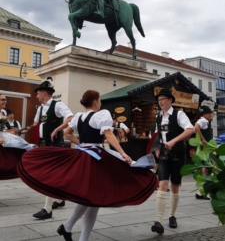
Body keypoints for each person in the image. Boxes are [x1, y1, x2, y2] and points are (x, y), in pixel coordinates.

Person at [17, 90, 158, 241]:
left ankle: (67, 227)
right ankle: (74, 232)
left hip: (83, 155)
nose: (100, 103)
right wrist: (123, 153)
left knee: (90, 198)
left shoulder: (79, 116)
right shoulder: (101, 114)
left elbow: (67, 133)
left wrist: (81, 145)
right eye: (100, 100)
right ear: (96, 101)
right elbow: (109, 135)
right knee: (93, 199)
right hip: (94, 159)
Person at [151, 88, 194, 235]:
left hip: (177, 154)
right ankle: (158, 221)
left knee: (175, 186)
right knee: (162, 184)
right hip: (163, 154)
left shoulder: (179, 114)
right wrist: (157, 146)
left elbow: (190, 129)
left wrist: (174, 141)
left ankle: (172, 215)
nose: (160, 102)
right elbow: (157, 134)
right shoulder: (158, 117)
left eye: (163, 99)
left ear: (170, 100)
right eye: (159, 100)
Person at [32, 78, 74, 220]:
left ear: (44, 93)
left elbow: (70, 118)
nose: (36, 96)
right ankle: (60, 199)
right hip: (44, 145)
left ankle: (47, 209)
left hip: (55, 144)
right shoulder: (40, 109)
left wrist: (57, 129)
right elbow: (36, 124)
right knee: (55, 174)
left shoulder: (57, 105)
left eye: (38, 93)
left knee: (48, 175)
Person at [0, 94, 37, 180]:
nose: (5, 101)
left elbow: (3, 128)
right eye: (2, 99)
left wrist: (10, 133)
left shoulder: (3, 112)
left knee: (21, 143)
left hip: (3, 134)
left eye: (5, 99)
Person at [195, 105, 213, 200]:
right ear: (204, 114)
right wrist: (203, 140)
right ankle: (200, 191)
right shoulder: (203, 121)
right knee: (206, 167)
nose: (210, 115)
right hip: (205, 148)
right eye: (209, 113)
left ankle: (201, 191)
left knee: (207, 167)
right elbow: (196, 128)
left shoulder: (205, 121)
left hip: (205, 148)